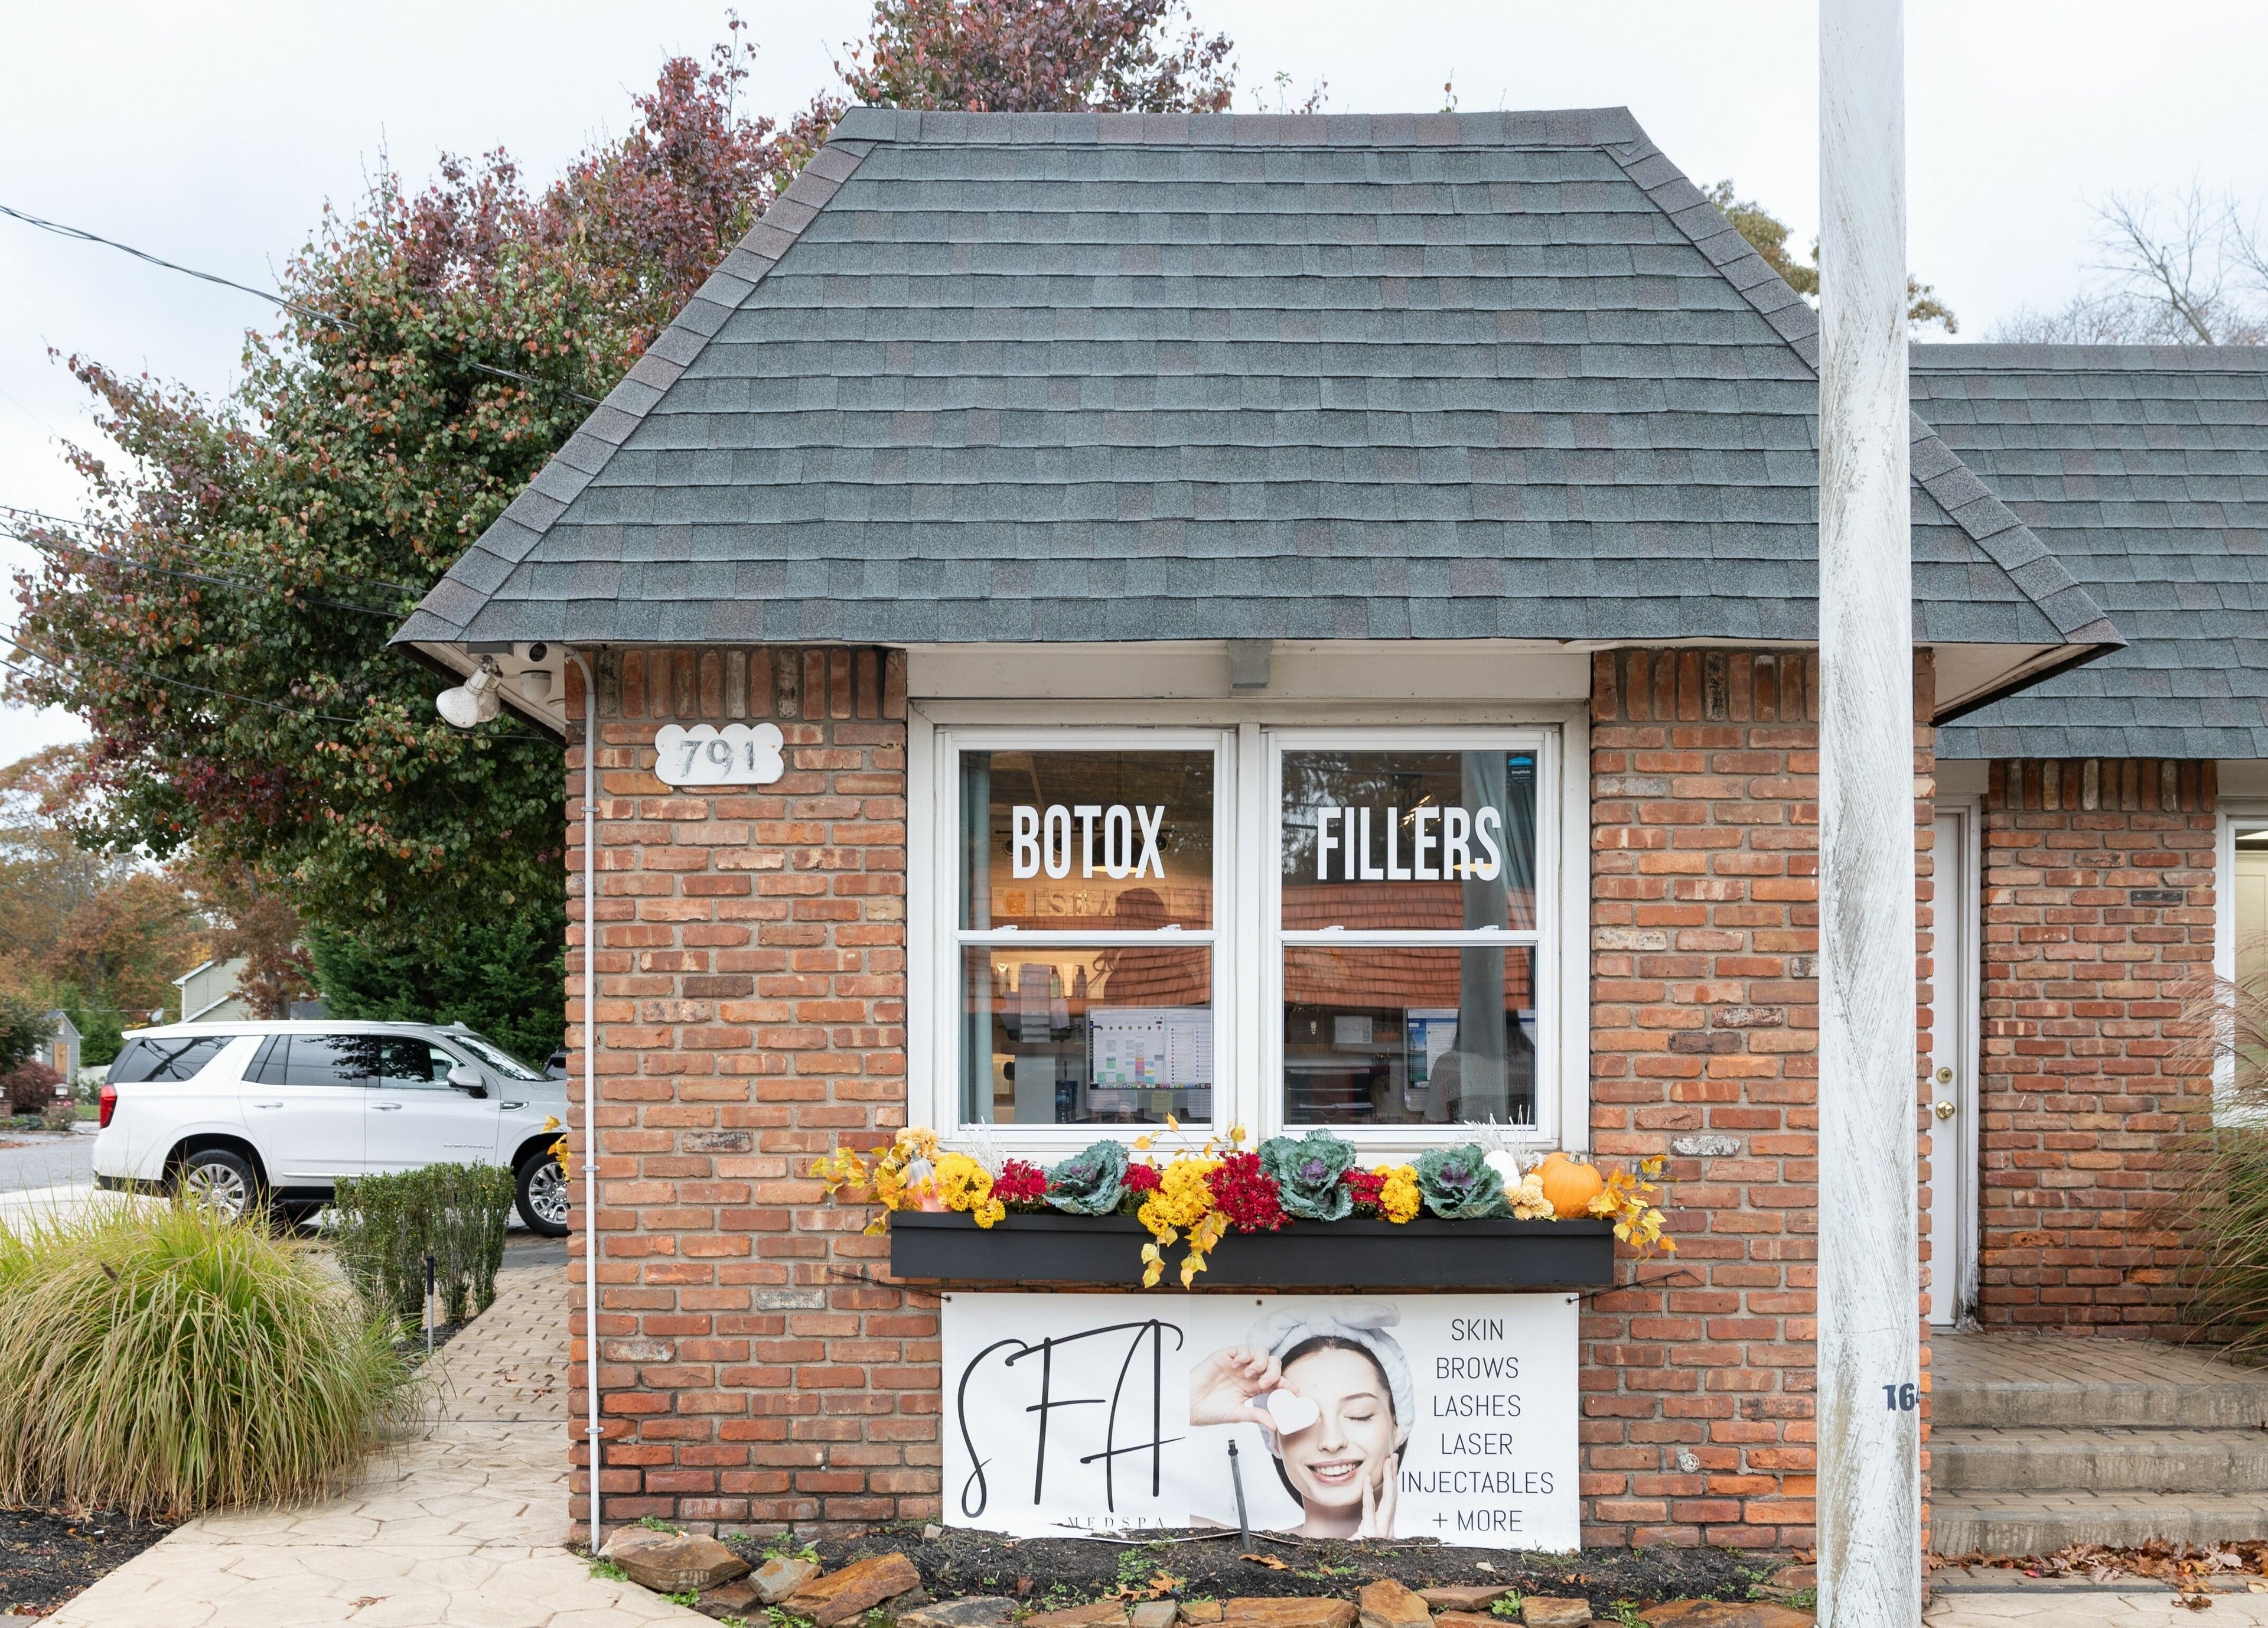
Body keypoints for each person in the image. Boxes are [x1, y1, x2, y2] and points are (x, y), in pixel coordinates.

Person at [1188, 1303, 1412, 1539]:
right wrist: (1187, 1404)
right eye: (1305, 1419)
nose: (1332, 1442)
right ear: (1274, 1438)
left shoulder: (1438, 1557)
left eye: (1359, 1414)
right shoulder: (1222, 1549)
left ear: (1397, 1425)